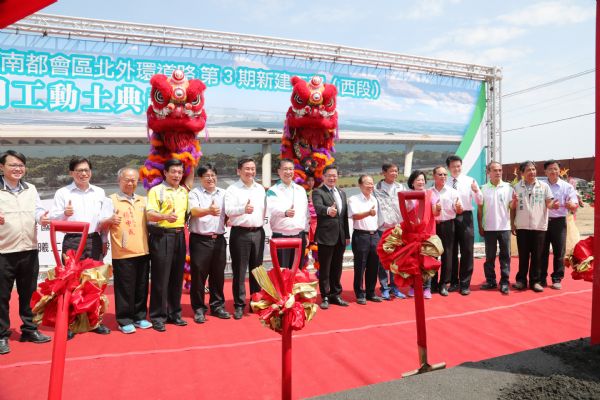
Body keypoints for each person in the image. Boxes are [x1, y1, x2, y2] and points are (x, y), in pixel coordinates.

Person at [49, 156, 112, 336]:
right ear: (71, 173)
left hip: (94, 239)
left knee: (93, 282)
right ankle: (69, 323)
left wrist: (105, 241)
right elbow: (53, 220)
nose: (83, 174)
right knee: (71, 282)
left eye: (86, 170)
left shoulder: (99, 192)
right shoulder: (63, 193)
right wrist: (64, 213)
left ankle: (93, 321)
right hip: (73, 241)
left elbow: (103, 220)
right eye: (79, 171)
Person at [0, 150, 51, 355]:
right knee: (1, 296)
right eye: (13, 165)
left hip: (28, 249)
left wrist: (42, 218)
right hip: (3, 251)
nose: (18, 168)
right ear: (1, 167)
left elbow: (37, 210)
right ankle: (2, 335)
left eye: (21, 165)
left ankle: (29, 329)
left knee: (28, 294)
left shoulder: (31, 188)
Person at [105, 167, 152, 334]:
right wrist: (109, 220)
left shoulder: (143, 200)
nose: (130, 183)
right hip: (122, 252)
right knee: (125, 287)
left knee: (141, 286)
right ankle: (124, 319)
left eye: (133, 180)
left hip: (143, 250)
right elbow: (103, 225)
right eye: (127, 179)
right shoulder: (111, 200)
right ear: (119, 181)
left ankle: (140, 317)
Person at [146, 158, 189, 332]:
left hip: (179, 236)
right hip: (162, 236)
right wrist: (164, 217)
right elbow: (149, 214)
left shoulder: (184, 192)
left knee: (176, 277)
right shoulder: (156, 191)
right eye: (173, 171)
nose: (177, 175)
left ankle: (174, 313)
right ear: (165, 172)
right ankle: (157, 316)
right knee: (160, 278)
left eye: (180, 172)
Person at [188, 164, 231, 323]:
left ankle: (217, 306)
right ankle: (199, 309)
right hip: (200, 240)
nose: (210, 178)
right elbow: (194, 211)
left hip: (219, 239)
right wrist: (209, 210)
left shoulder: (224, 193)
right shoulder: (195, 193)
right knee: (199, 276)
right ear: (201, 178)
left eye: (213, 175)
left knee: (218, 275)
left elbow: (230, 211)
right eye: (207, 176)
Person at [225, 157, 266, 320]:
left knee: (257, 270)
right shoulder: (232, 189)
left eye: (253, 168)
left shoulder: (260, 188)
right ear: (238, 171)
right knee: (240, 271)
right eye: (247, 168)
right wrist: (243, 209)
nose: (251, 172)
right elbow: (228, 210)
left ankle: (257, 302)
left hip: (258, 232)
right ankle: (239, 305)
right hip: (240, 234)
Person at [510, 161, 554, 293]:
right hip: (522, 226)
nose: (532, 172)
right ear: (522, 173)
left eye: (534, 169)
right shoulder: (516, 187)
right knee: (523, 256)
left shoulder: (544, 186)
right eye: (528, 170)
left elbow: (549, 203)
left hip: (539, 226)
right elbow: (512, 208)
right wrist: (512, 223)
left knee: (537, 256)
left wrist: (553, 205)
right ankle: (521, 280)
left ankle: (535, 281)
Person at [312, 164, 350, 309]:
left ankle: (336, 294)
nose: (332, 178)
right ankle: (325, 296)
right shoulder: (318, 192)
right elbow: (318, 208)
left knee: (337, 268)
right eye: (329, 175)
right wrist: (328, 210)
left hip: (340, 237)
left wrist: (346, 235)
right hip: (326, 237)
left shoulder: (341, 193)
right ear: (323, 177)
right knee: (325, 269)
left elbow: (344, 216)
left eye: (334, 175)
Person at [445, 155, 483, 295]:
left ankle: (465, 283)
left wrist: (476, 191)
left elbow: (479, 201)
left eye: (458, 166)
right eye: (453, 166)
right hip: (450, 218)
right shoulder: (445, 182)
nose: (456, 169)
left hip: (465, 217)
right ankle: (453, 282)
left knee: (467, 250)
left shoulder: (470, 181)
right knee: (451, 251)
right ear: (449, 168)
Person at [540, 160, 579, 290]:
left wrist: (571, 206)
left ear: (559, 170)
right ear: (545, 171)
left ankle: (557, 278)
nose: (553, 171)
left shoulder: (567, 186)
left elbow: (574, 205)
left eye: (555, 169)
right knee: (542, 252)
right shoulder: (540, 185)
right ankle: (541, 278)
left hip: (559, 222)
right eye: (550, 169)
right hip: (542, 222)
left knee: (559, 252)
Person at [477, 161, 513, 295]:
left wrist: (513, 224)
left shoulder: (509, 187)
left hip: (505, 228)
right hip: (489, 228)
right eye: (494, 170)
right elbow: (479, 211)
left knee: (505, 257)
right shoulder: (483, 188)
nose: (498, 172)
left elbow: (512, 208)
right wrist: (480, 226)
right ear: (488, 172)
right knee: (490, 257)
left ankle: (504, 282)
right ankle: (490, 280)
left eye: (500, 170)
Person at [267, 159, 309, 269]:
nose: (288, 172)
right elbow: (272, 208)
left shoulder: (300, 190)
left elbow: (306, 213)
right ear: (279, 171)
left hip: (299, 236)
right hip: (281, 237)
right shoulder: (273, 190)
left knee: (297, 270)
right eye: (285, 169)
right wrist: (285, 213)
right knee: (282, 272)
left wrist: (306, 232)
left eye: (291, 169)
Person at [373, 163, 406, 300]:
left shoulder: (401, 187)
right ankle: (384, 287)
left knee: (396, 259)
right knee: (383, 260)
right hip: (382, 228)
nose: (394, 173)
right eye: (391, 171)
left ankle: (395, 287)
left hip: (397, 228)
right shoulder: (376, 189)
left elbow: (407, 205)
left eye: (396, 171)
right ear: (384, 173)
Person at [348, 175, 383, 304]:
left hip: (374, 235)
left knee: (374, 265)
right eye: (367, 183)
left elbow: (378, 218)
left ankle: (371, 292)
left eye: (372, 183)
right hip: (361, 235)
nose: (370, 186)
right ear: (360, 185)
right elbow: (355, 216)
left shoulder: (374, 199)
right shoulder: (354, 199)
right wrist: (368, 213)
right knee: (360, 266)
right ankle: (359, 293)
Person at [431, 166, 462, 297]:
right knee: (432, 255)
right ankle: (432, 283)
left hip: (449, 225)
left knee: (447, 255)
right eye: (440, 174)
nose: (443, 177)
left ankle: (443, 283)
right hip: (433, 226)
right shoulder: (429, 192)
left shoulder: (452, 192)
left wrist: (459, 208)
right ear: (434, 176)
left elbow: (459, 211)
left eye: (445, 174)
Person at [406, 169, 436, 299]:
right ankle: (413, 286)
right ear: (412, 182)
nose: (421, 182)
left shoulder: (431, 194)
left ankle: (427, 288)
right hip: (413, 234)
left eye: (423, 180)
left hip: (428, 232)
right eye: (418, 180)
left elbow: (435, 211)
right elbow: (406, 211)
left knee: (428, 262)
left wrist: (438, 208)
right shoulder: (408, 196)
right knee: (414, 261)